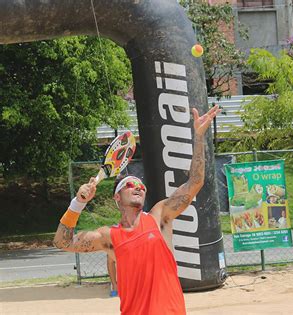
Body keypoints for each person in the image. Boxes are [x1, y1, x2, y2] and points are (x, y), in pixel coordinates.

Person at [53, 105, 220, 315]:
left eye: (141, 186)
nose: (138, 187)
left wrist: (198, 136)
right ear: (117, 197)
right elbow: (62, 242)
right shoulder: (109, 236)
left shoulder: (160, 216)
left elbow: (195, 182)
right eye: (130, 185)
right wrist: (77, 203)